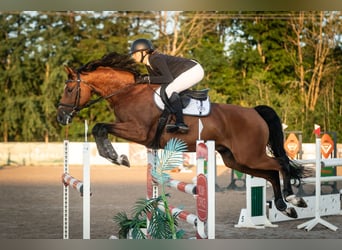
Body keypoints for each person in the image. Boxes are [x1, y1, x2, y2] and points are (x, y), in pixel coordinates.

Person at [130, 38, 205, 134]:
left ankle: (180, 123)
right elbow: (156, 81)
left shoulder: (155, 58)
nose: (133, 56)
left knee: (169, 90)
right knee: (164, 90)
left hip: (194, 70)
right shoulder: (148, 64)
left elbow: (167, 78)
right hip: (188, 71)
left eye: (135, 53)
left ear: (144, 52)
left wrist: (147, 79)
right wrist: (144, 79)